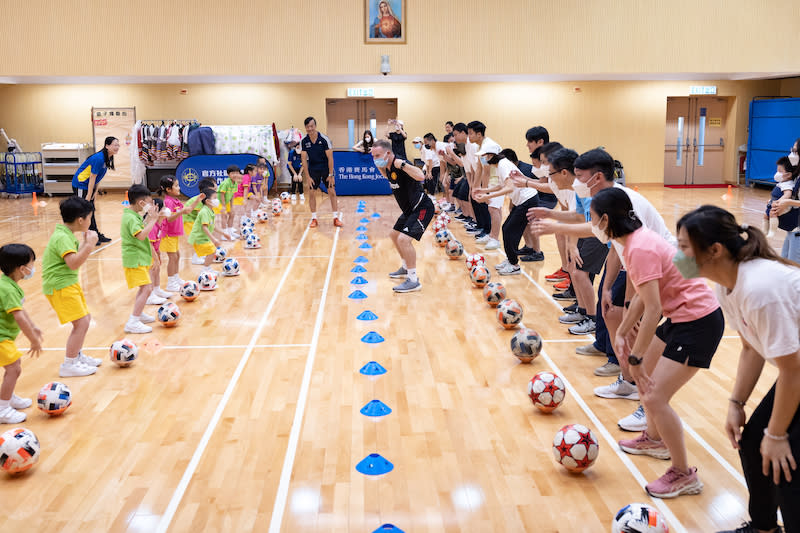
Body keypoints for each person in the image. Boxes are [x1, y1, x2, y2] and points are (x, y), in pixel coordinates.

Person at [590, 188, 725, 498]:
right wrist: (623, 332)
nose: (591, 222)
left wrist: (634, 357)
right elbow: (642, 296)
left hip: (699, 322)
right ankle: (653, 437)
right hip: (682, 318)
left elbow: (651, 310)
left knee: (653, 396)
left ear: (607, 219)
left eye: (593, 217)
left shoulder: (639, 248)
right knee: (647, 382)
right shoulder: (635, 241)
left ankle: (683, 473)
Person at [675, 205, 800, 533]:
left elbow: (792, 371)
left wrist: (777, 434)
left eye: (684, 247)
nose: (677, 256)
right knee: (752, 442)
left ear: (714, 250)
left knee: (786, 465)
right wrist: (736, 404)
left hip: (797, 372)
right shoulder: (726, 285)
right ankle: (763, 527)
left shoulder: (761, 289)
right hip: (797, 371)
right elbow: (750, 347)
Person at [41, 196, 102, 378]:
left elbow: (74, 259)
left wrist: (85, 243)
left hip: (68, 283)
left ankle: (77, 356)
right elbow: (73, 263)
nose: (90, 222)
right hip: (60, 285)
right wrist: (89, 245)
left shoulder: (66, 234)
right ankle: (69, 363)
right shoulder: (62, 237)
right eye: (89, 218)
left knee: (85, 318)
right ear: (80, 220)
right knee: (81, 323)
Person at [370, 139, 434, 293]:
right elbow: (389, 178)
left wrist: (403, 165)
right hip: (409, 210)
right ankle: (406, 268)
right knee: (394, 235)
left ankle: (413, 280)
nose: (375, 158)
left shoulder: (400, 162)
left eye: (377, 155)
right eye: (373, 156)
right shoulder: (388, 166)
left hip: (422, 208)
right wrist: (381, 167)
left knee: (404, 240)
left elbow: (421, 176)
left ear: (388, 153)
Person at [474, 143, 538, 265]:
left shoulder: (503, 165)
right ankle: (511, 260)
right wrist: (484, 190)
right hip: (523, 201)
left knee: (508, 229)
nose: (482, 159)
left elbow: (509, 188)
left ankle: (513, 264)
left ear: (491, 155)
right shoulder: (500, 165)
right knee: (508, 228)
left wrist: (487, 197)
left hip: (527, 200)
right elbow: (501, 185)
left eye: (484, 156)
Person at [0, 244, 42, 424]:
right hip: (1, 337)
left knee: (13, 367)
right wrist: (33, 340)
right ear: (22, 269)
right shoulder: (7, 289)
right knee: (14, 367)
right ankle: (2, 409)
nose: (33, 268)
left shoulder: (9, 284)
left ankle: (7, 398)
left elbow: (21, 311)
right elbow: (19, 317)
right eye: (31, 264)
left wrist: (34, 326)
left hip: (5, 336)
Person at [122, 184, 167, 335]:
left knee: (144, 288)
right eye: (149, 203)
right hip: (134, 259)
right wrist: (154, 219)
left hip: (140, 257)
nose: (151, 206)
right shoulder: (130, 218)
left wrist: (153, 254)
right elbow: (141, 236)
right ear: (141, 203)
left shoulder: (134, 216)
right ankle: (133, 322)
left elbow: (144, 234)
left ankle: (138, 313)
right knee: (147, 288)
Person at [158, 175, 203, 292]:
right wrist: (180, 212)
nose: (179, 188)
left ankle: (176, 277)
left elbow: (187, 210)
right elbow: (169, 219)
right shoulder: (168, 202)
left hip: (174, 234)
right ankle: (171, 282)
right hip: (168, 234)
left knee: (177, 256)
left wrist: (197, 200)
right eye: (176, 186)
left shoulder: (176, 200)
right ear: (168, 189)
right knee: (172, 258)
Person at [71, 136, 119, 245]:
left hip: (89, 186)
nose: (117, 147)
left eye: (118, 145)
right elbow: (92, 176)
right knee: (85, 211)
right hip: (81, 184)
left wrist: (95, 192)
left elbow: (98, 177)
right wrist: (88, 194)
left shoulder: (108, 157)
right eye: (114, 145)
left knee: (91, 209)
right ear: (107, 146)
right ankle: (88, 236)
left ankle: (95, 234)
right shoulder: (99, 158)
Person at [300, 116, 342, 227]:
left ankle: (335, 218)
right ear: (305, 127)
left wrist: (331, 174)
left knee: (331, 192)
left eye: (311, 126)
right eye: (307, 127)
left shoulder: (324, 139)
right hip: (313, 169)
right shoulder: (304, 141)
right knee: (312, 193)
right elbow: (304, 159)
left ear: (315, 126)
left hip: (326, 168)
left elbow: (330, 158)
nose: (310, 128)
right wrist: (307, 177)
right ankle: (314, 219)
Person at [771, 137, 800, 263]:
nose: (791, 154)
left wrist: (787, 202)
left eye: (795, 151)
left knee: (794, 264)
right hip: (795, 226)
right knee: (785, 260)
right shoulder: (797, 172)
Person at [188, 188, 222, 274]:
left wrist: (224, 234)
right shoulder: (204, 212)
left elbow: (213, 226)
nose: (217, 200)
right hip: (198, 238)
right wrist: (214, 239)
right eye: (214, 198)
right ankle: (205, 270)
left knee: (211, 251)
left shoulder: (210, 210)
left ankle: (207, 268)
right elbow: (205, 227)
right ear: (208, 201)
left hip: (203, 237)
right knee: (212, 250)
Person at [763, 157, 797, 237]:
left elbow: (787, 195)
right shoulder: (782, 182)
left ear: (788, 174)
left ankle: (772, 231)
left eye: (780, 171)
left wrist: (779, 202)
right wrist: (771, 200)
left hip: (784, 205)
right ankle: (765, 231)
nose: (777, 173)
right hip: (776, 203)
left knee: (773, 213)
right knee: (766, 215)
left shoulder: (788, 184)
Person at [217, 166, 240, 240]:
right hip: (219, 201)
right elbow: (222, 194)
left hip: (226, 202)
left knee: (232, 214)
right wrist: (223, 206)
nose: (235, 175)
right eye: (233, 173)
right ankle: (224, 234)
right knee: (224, 216)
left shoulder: (235, 183)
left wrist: (232, 206)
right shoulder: (226, 183)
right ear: (228, 174)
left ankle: (230, 232)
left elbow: (232, 195)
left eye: (237, 173)